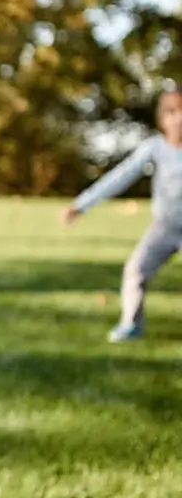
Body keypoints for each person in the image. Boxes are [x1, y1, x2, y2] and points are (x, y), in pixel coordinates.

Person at [62, 85, 182, 343]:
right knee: (136, 270)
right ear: (162, 118)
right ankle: (131, 324)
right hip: (164, 227)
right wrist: (81, 204)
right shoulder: (155, 149)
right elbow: (121, 176)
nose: (178, 118)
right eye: (172, 111)